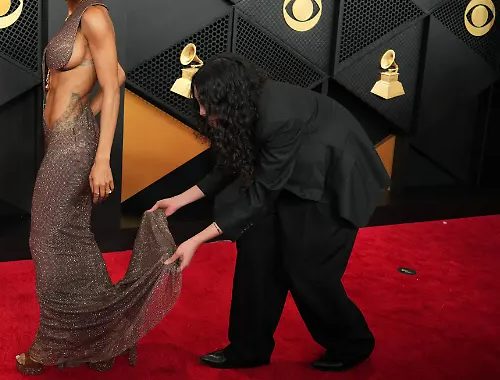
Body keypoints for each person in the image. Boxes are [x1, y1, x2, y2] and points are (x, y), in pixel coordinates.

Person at [149, 53, 390, 372]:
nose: (203, 113)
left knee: (306, 269)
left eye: (208, 105)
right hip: (293, 176)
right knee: (257, 254)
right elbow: (229, 163)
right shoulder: (243, 106)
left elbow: (260, 196)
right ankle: (248, 349)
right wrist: (180, 199)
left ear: (230, 98)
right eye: (200, 103)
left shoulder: (278, 116)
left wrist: (196, 240)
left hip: (335, 181)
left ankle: (352, 343)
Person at [15, 0, 181, 375]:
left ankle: (52, 344)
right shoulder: (76, 16)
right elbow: (116, 75)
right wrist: (82, 113)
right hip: (66, 138)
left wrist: (102, 156)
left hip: (76, 146)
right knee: (69, 237)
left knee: (45, 239)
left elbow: (113, 89)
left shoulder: (94, 17)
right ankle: (105, 336)